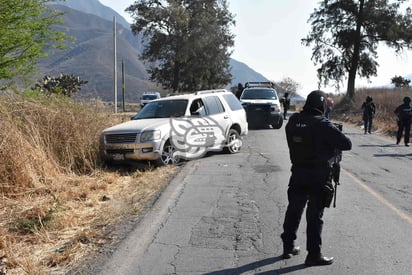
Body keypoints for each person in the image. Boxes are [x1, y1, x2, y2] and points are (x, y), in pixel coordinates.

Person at [280, 90, 352, 266]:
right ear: (322, 105)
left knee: (294, 210)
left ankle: (288, 247)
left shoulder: (293, 121)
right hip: (318, 176)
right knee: (314, 216)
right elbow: (346, 144)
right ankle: (313, 254)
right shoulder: (323, 124)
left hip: (297, 172)